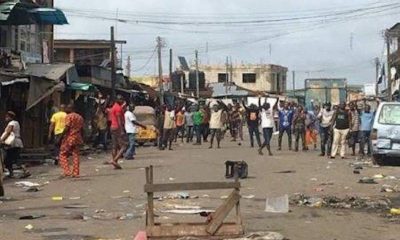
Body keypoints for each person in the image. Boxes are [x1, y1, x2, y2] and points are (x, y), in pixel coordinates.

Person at [0, 111, 29, 178]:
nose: (5, 118)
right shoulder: (16, 123)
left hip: (13, 143)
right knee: (10, 159)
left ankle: (24, 170)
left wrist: (2, 140)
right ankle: (12, 173)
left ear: (9, 117)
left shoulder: (12, 123)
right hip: (16, 142)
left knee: (13, 158)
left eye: (6, 117)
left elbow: (8, 132)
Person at [58, 104, 84, 178]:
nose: (66, 109)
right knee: (75, 154)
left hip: (69, 137)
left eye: (67, 108)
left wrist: (60, 137)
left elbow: (67, 127)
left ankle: (67, 171)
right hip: (77, 137)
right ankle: (76, 173)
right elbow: (82, 129)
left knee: (62, 154)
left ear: (70, 108)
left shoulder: (69, 116)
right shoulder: (80, 117)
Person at [109, 95, 127, 169]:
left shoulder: (114, 107)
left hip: (112, 127)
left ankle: (115, 164)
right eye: (121, 99)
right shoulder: (118, 108)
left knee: (114, 146)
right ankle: (115, 160)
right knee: (124, 146)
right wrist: (122, 130)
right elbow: (119, 120)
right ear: (117, 100)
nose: (122, 101)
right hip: (117, 128)